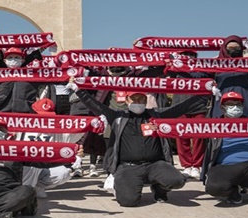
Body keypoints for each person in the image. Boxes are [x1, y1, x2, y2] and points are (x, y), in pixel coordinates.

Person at [69, 79, 208, 207]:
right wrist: (79, 90)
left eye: (141, 99)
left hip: (155, 164)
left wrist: (205, 94)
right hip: (128, 167)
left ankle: (159, 189)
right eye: (134, 98)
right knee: (128, 202)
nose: (138, 101)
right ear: (127, 100)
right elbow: (95, 106)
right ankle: (127, 185)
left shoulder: (156, 114)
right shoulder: (117, 116)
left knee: (177, 180)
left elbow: (181, 108)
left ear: (146, 100)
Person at [19, 98, 83, 198]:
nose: (44, 120)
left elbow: (78, 131)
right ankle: (24, 191)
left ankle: (36, 187)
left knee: (63, 173)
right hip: (23, 169)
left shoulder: (57, 131)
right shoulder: (20, 128)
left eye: (48, 117)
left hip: (45, 168)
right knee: (32, 164)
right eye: (41, 116)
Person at [168, 51, 212, 179]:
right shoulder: (175, 68)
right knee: (182, 137)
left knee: (198, 137)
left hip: (199, 107)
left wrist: (188, 68)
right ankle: (187, 165)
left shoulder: (203, 69)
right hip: (180, 107)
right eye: (185, 55)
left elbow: (205, 76)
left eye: (190, 56)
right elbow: (167, 73)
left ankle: (197, 166)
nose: (187, 58)